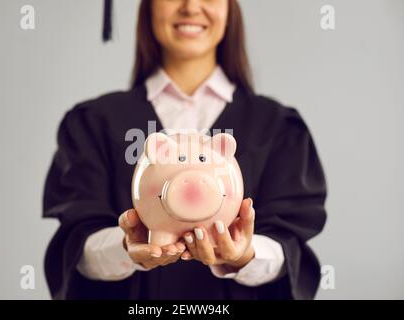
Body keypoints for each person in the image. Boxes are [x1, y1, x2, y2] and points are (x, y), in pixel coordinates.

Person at [43, 0, 327, 300]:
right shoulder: (94, 123)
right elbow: (76, 246)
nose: (191, 7)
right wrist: (126, 247)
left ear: (231, 8)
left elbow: (289, 248)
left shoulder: (278, 127)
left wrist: (244, 255)